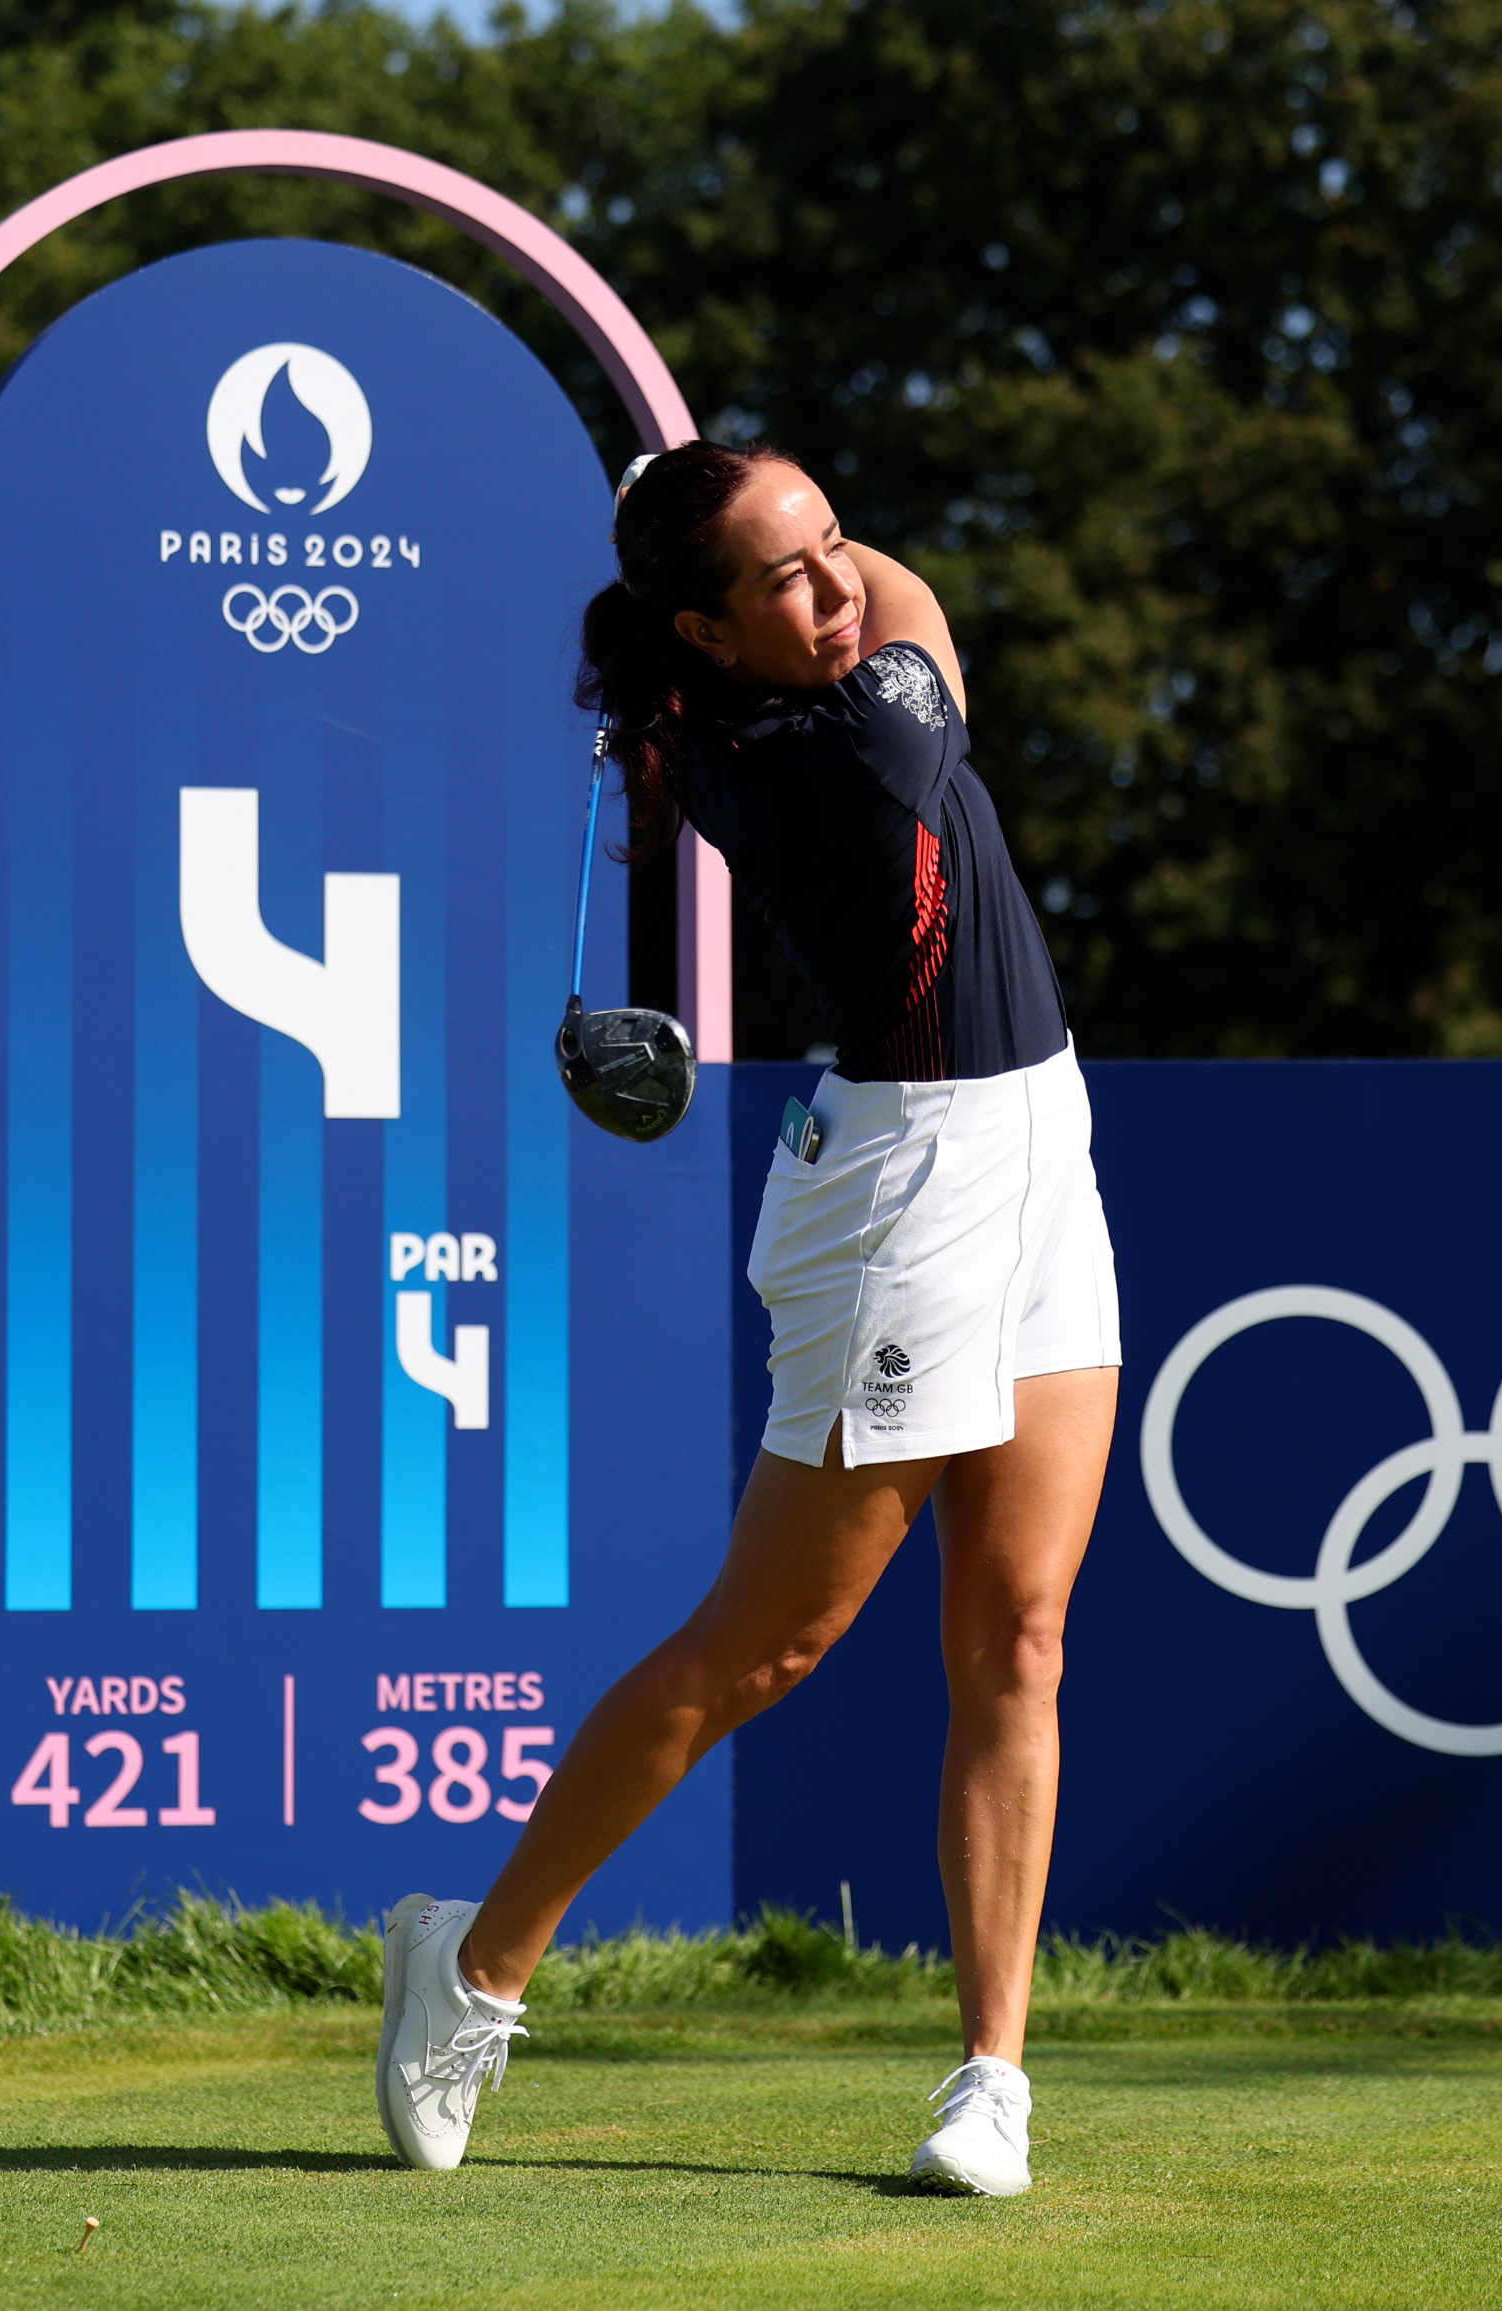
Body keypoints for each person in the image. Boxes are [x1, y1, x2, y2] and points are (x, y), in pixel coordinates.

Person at [373, 441, 1121, 2198]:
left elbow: (874, 596)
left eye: (833, 546)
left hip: (1041, 1144)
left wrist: (772, 515)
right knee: (767, 1646)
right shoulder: (839, 745)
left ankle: (990, 2082)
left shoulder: (770, 690)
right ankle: (473, 1969)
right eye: (785, 578)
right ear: (702, 634)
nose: (836, 586)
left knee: (1019, 1636)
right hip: (901, 1197)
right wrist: (818, 528)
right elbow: (928, 622)